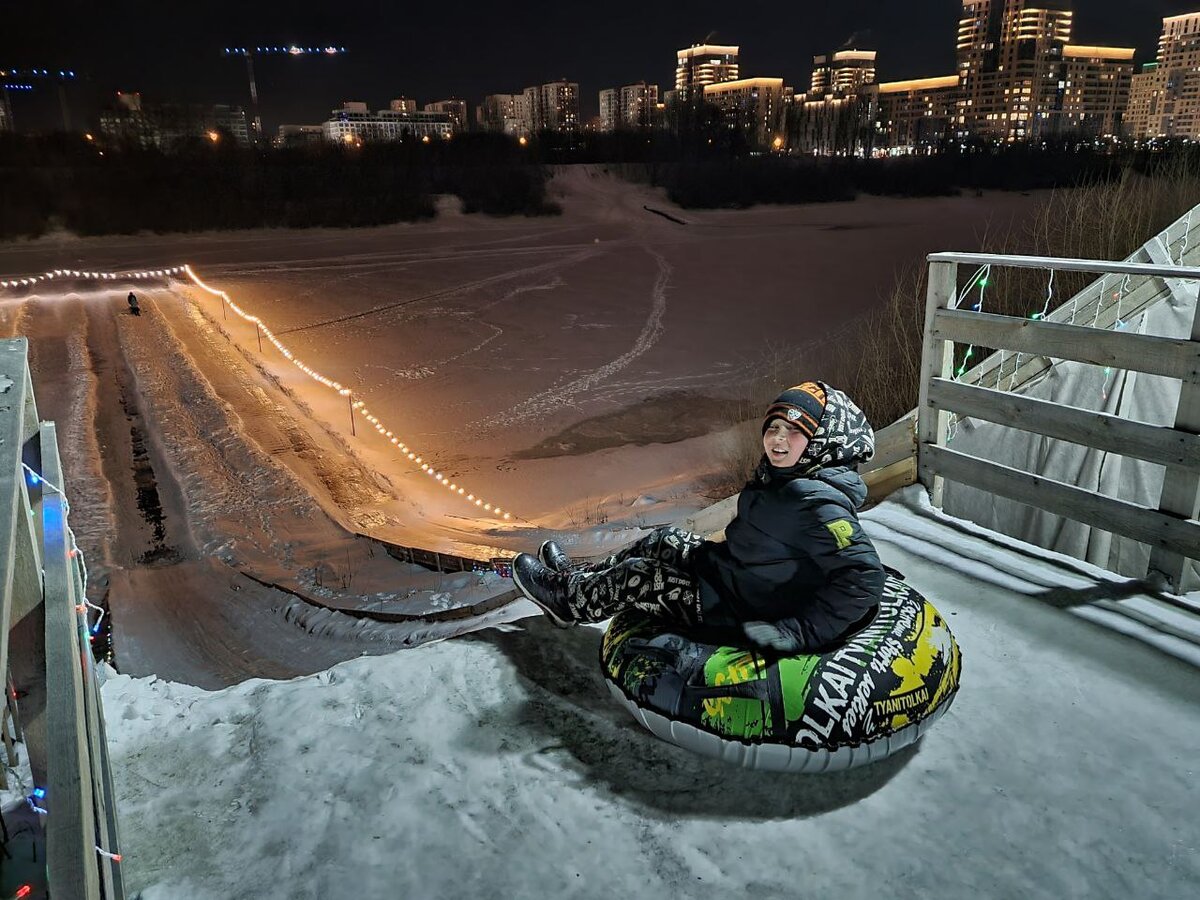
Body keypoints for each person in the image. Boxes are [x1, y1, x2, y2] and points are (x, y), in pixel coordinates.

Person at [511, 382, 885, 654]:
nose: (778, 440)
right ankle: (578, 581)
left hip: (738, 607)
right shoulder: (786, 476)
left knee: (640, 576)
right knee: (661, 540)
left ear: (823, 441)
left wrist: (799, 631)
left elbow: (864, 575)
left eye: (794, 432)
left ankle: (568, 603)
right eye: (773, 428)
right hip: (735, 576)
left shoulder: (813, 500)